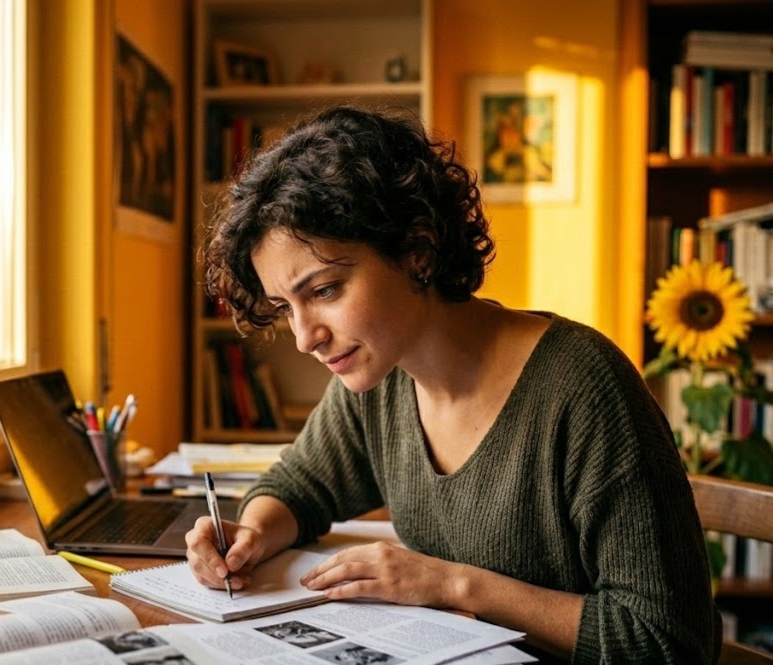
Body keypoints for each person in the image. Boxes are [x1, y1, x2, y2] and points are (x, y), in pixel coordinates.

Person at [185, 105, 721, 664]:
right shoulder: (378, 376)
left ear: (418, 250)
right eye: (284, 306)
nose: (304, 338)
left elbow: (668, 641)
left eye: (324, 291)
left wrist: (452, 585)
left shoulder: (584, 389)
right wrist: (248, 535)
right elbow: (299, 487)